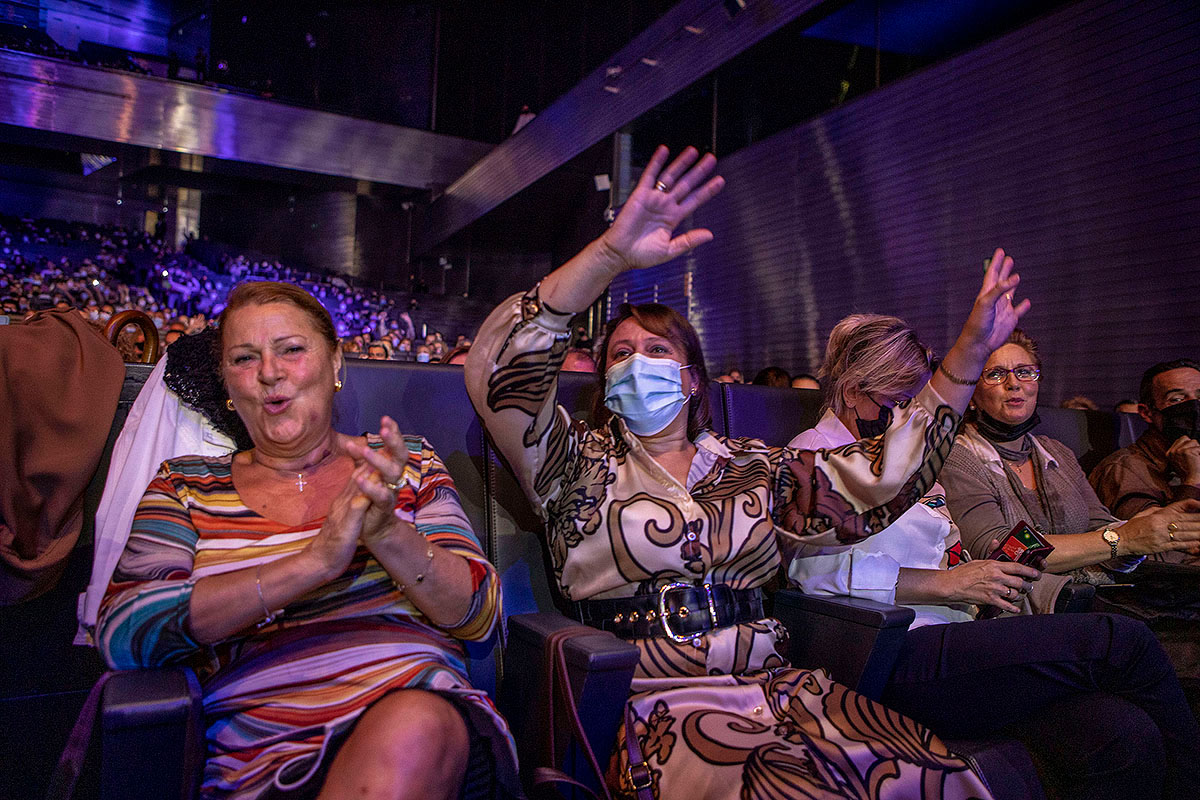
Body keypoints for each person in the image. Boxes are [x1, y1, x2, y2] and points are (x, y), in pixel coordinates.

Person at [466, 144, 1033, 799]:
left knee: (936, 782)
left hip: (781, 687)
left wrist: (968, 354)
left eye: (656, 349)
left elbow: (884, 477)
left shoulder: (755, 466)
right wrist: (608, 257)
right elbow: (498, 374)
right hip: (659, 698)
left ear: (692, 378)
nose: (636, 362)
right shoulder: (572, 463)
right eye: (619, 354)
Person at [97, 282, 517, 799]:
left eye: (291, 349)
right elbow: (123, 631)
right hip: (260, 761)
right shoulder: (185, 486)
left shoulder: (405, 465)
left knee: (413, 729)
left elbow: (481, 613)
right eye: (244, 358)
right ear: (227, 383)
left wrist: (386, 533)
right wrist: (314, 563)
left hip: (421, 732)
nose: (269, 372)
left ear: (336, 363)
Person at [788, 314, 1200, 800]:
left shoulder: (902, 457)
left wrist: (978, 577)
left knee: (1121, 732)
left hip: (959, 632)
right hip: (892, 650)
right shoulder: (813, 455)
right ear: (855, 390)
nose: (914, 416)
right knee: (1121, 640)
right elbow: (808, 571)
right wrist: (945, 583)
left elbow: (947, 545)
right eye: (901, 400)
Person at [939, 331, 1200, 577]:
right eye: (995, 374)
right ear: (970, 395)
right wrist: (1123, 538)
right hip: (1022, 604)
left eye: (1024, 372)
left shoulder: (1057, 452)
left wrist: (1136, 530)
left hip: (1091, 594)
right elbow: (1001, 549)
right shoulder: (958, 457)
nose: (1014, 384)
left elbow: (1101, 527)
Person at [1090, 358, 1200, 528]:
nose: (1194, 406)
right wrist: (1192, 480)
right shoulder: (1125, 468)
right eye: (1177, 399)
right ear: (1147, 413)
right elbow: (1152, 540)